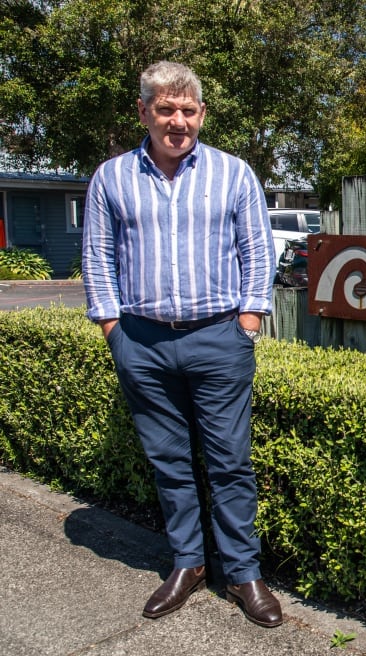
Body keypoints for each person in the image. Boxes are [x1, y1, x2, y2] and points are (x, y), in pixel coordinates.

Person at [81, 61, 282, 628]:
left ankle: (244, 572)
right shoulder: (111, 178)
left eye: (188, 110)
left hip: (218, 338)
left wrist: (247, 321)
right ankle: (188, 564)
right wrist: (113, 330)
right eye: (165, 109)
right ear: (143, 112)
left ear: (201, 114)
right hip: (141, 341)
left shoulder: (234, 173)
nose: (178, 121)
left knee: (229, 463)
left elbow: (258, 254)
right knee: (169, 462)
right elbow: (97, 257)